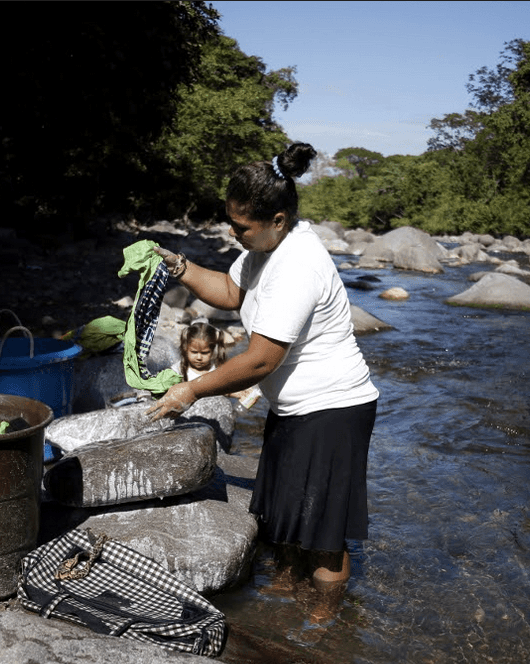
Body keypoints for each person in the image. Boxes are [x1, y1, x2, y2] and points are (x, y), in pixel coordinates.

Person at [147, 142, 378, 624]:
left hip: (333, 408)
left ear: (278, 219)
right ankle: (289, 591)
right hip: (296, 407)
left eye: (241, 226)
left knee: (325, 533)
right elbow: (232, 293)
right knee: (290, 513)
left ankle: (325, 625)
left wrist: (190, 390)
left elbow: (260, 360)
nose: (233, 233)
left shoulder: (298, 265)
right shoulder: (263, 251)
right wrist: (182, 268)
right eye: (230, 222)